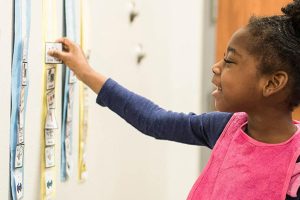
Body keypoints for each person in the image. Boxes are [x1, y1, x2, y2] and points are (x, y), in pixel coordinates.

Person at [49, 0, 300, 199]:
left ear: (272, 83)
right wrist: (86, 73)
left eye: (230, 61)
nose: (216, 67)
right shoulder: (224, 128)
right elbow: (154, 120)